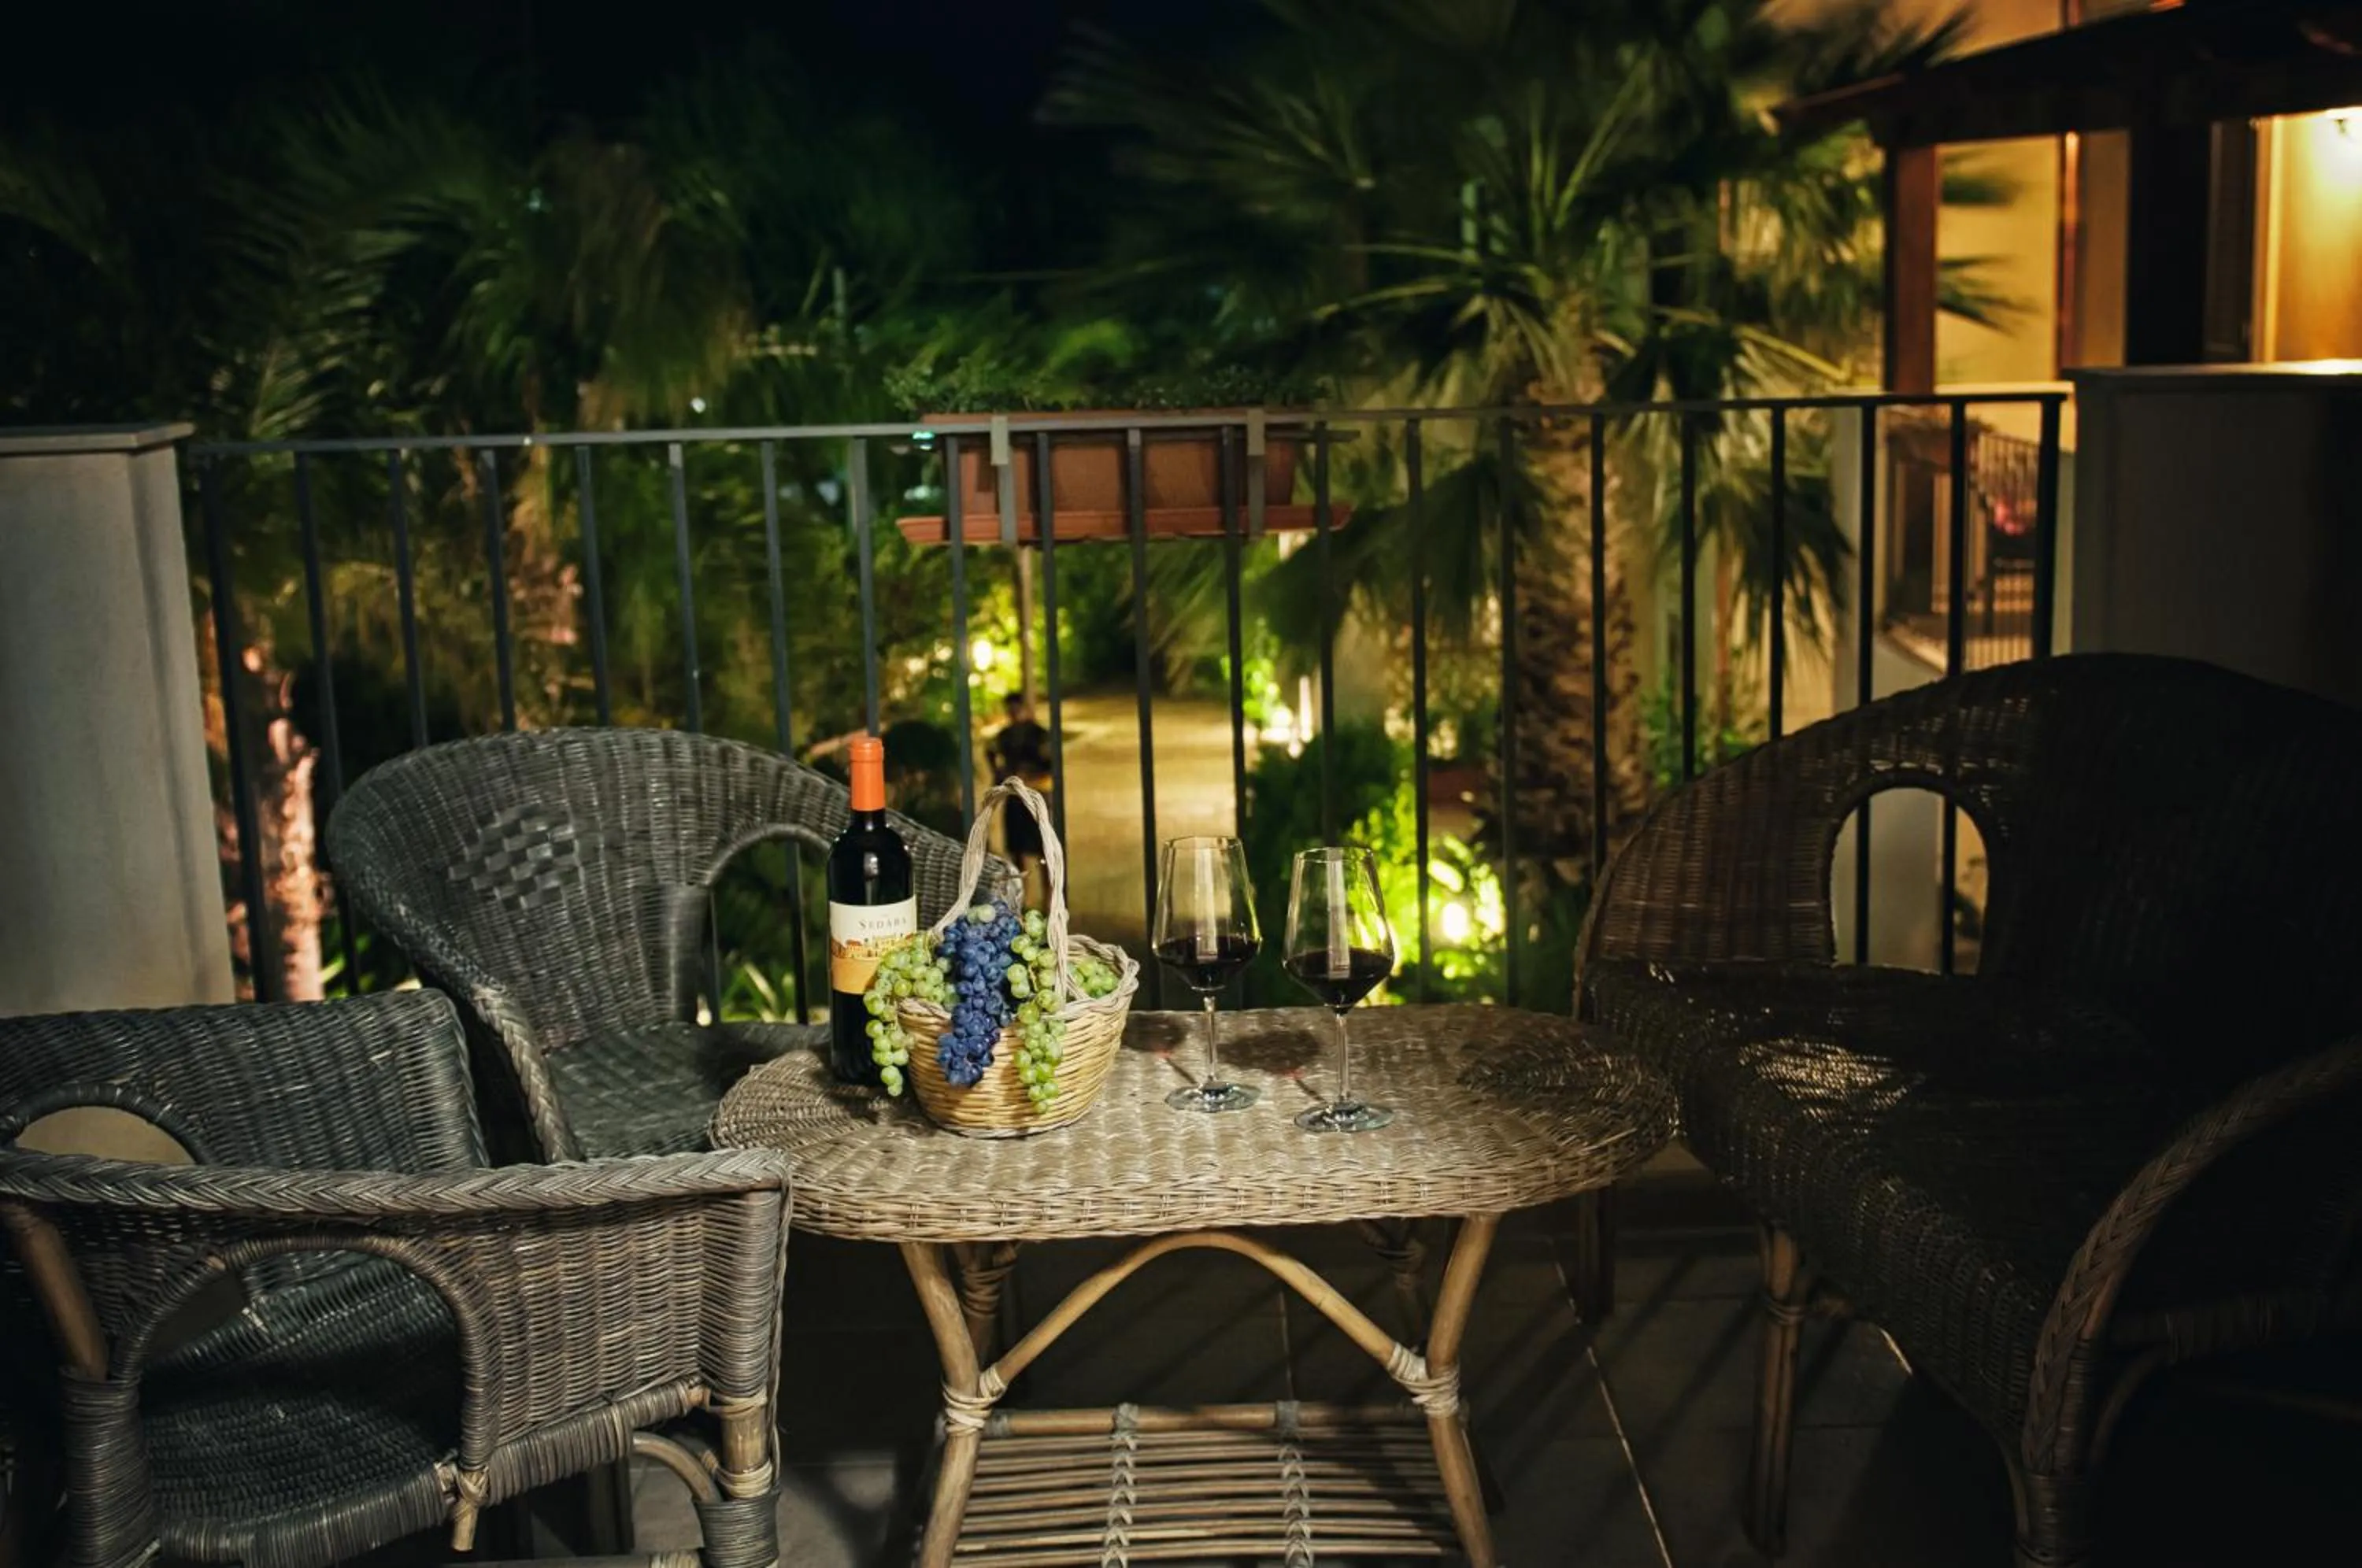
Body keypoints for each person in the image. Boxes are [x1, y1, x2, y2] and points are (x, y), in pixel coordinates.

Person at [988, 692, 1053, 875]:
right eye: (1010, 710)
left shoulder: (1039, 735)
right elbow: (996, 761)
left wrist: (1031, 775)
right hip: (1015, 797)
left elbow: (1050, 765)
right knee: (1017, 849)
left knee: (1043, 848)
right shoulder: (1004, 736)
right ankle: (1024, 895)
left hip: (1038, 795)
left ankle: (1049, 896)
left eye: (1017, 709)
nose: (1014, 714)